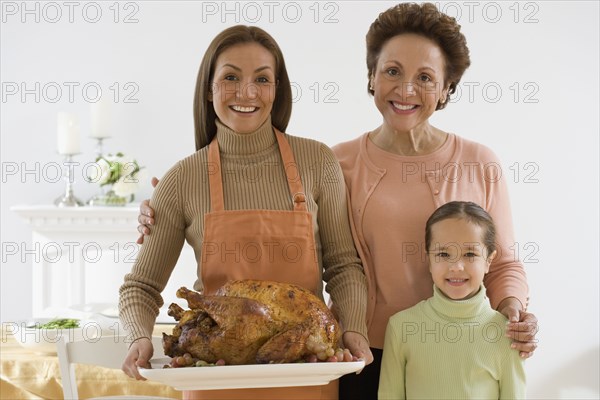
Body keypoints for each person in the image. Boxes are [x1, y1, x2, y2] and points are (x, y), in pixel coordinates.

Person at [137, 4, 539, 399]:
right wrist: (162, 204)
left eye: (426, 77)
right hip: (364, 353)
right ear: (372, 77)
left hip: (461, 349)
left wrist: (513, 311)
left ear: (447, 86)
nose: (406, 89)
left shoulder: (480, 163)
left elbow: (502, 262)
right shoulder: (339, 162)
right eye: (392, 71)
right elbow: (335, 258)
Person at [120, 25, 372, 400]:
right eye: (231, 77)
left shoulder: (318, 162)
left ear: (277, 89)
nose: (247, 92)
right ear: (209, 88)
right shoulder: (182, 179)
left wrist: (354, 329)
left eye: (262, 79)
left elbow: (343, 266)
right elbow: (140, 287)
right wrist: (140, 337)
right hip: (216, 381)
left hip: (307, 376)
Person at [378, 201, 526, 399]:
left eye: (470, 254)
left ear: (489, 261)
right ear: (429, 259)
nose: (456, 266)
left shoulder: (506, 334)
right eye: (443, 254)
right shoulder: (401, 327)